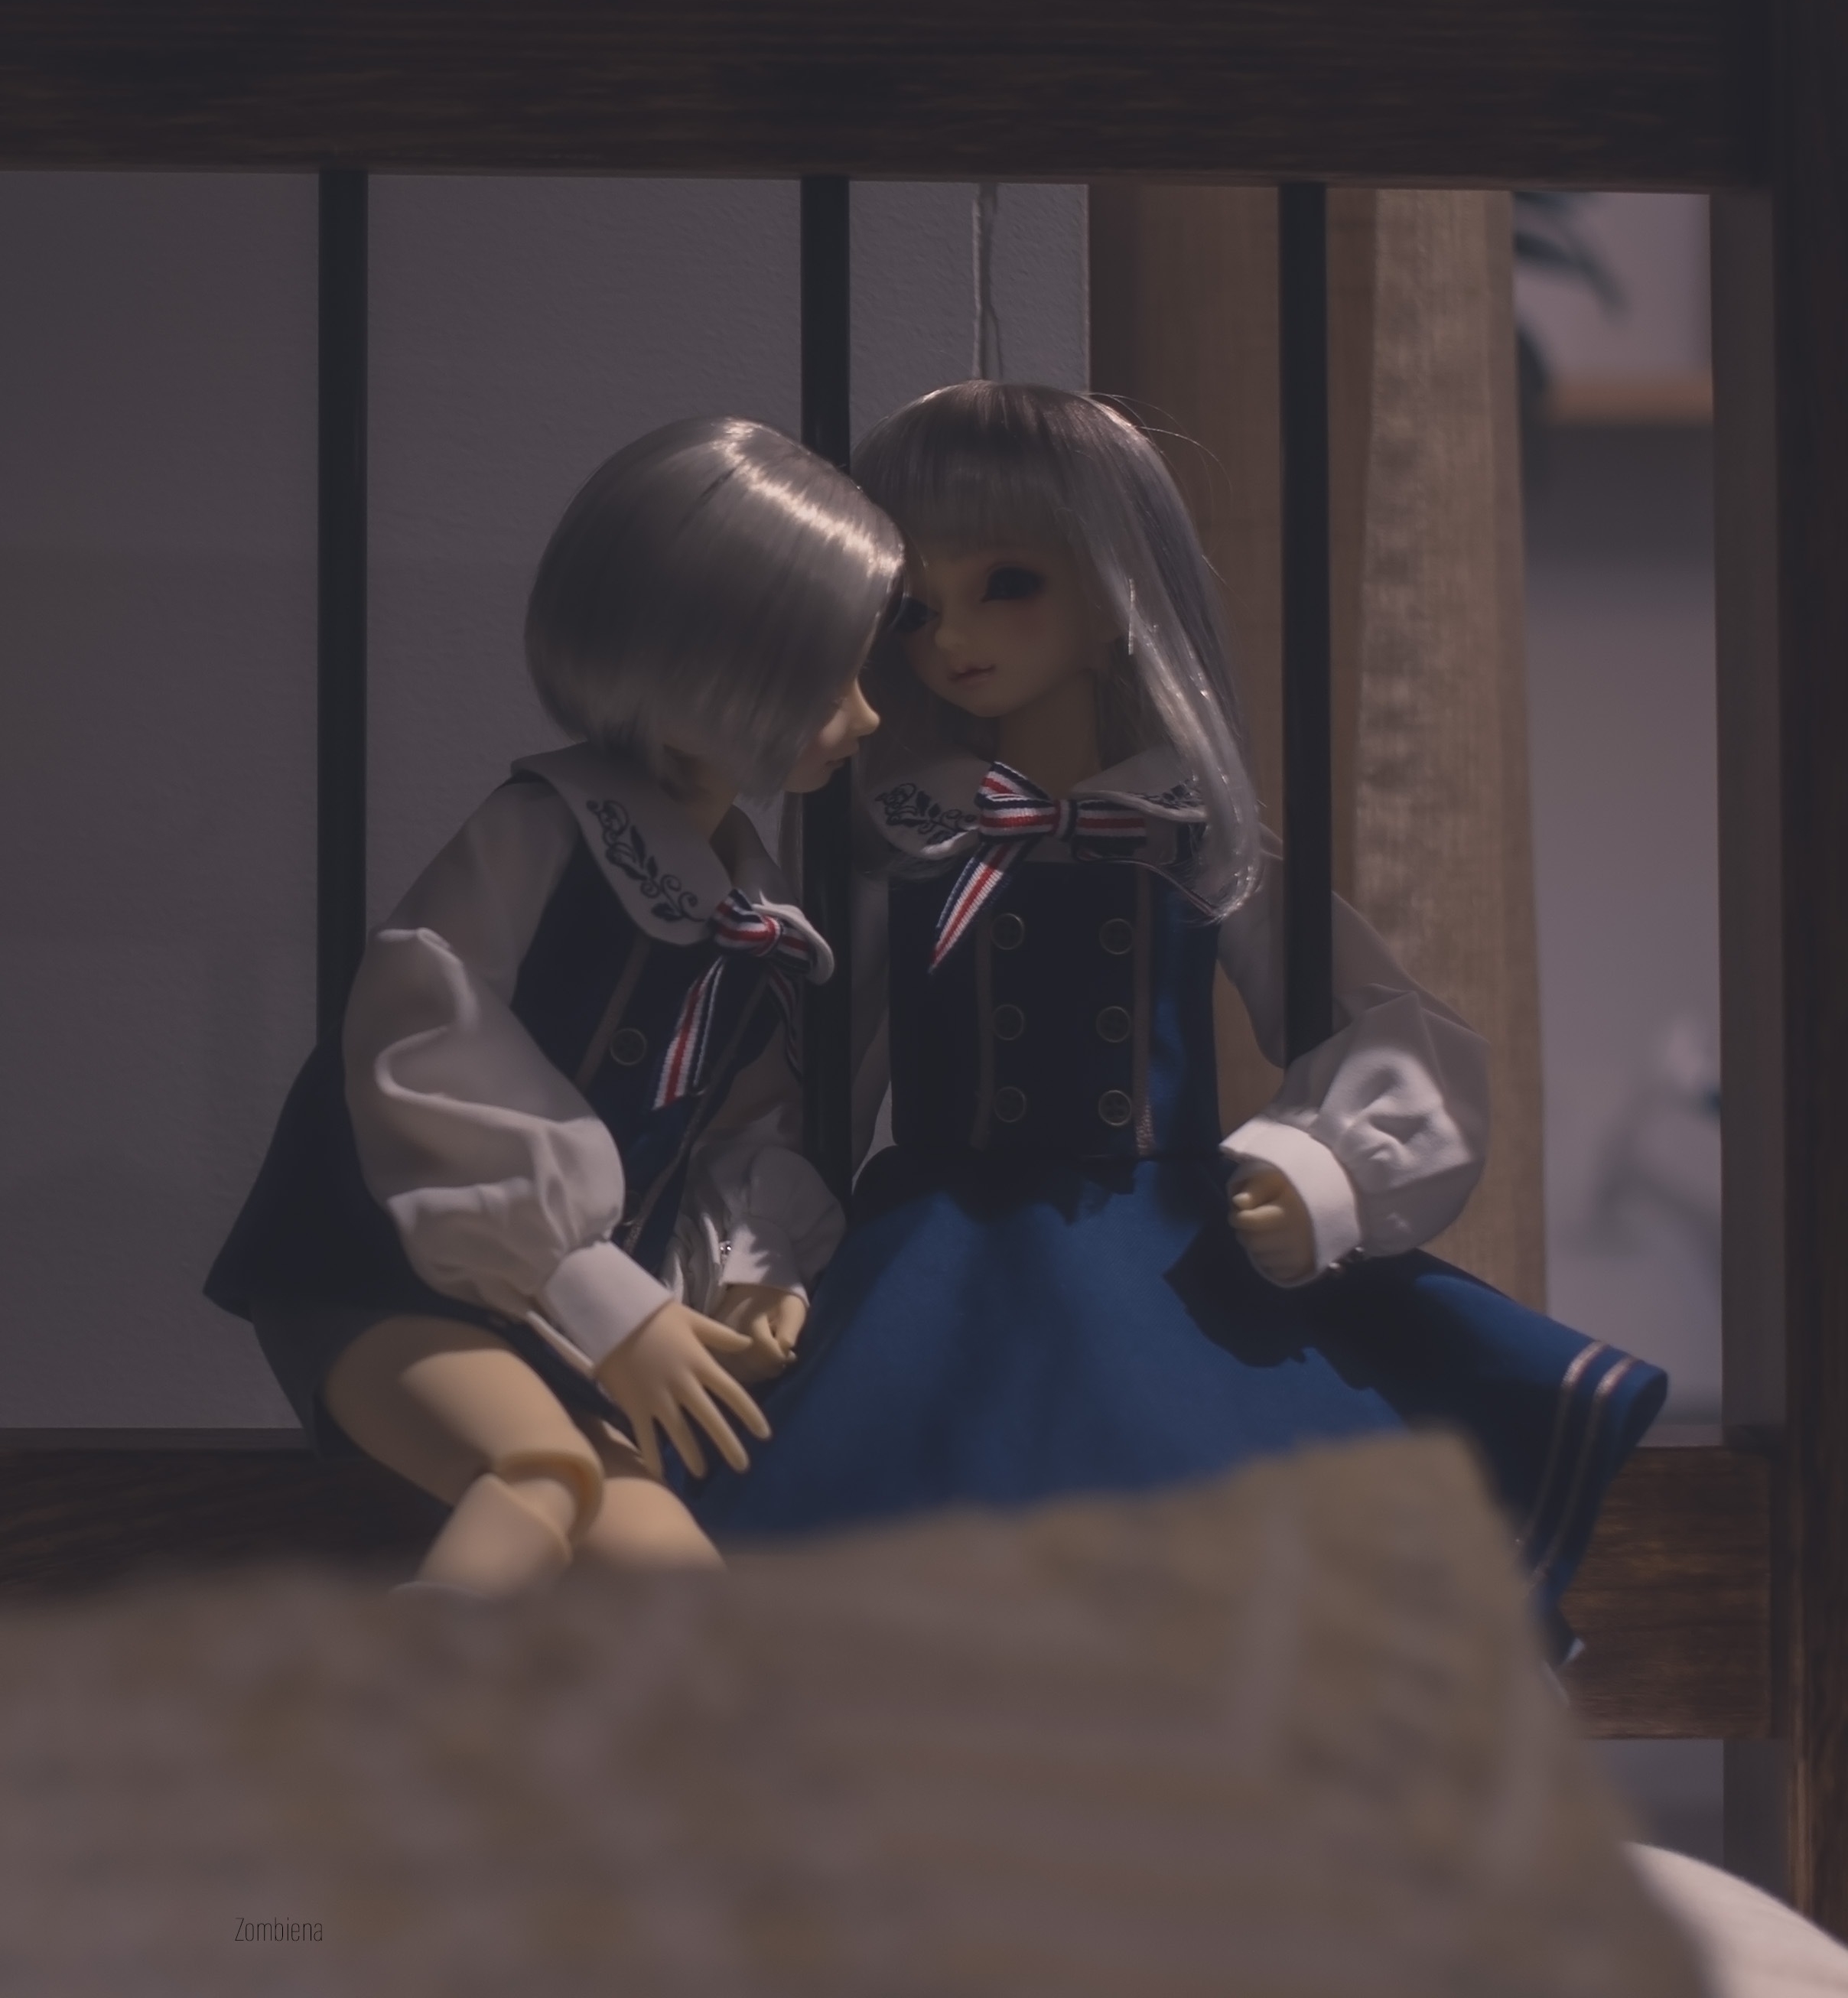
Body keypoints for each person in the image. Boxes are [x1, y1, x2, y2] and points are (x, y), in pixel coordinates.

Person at [689, 382, 1660, 1639]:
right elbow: (812, 1075)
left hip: (1164, 1256)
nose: (952, 638)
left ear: (1115, 593)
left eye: (1007, 584)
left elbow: (1384, 1021)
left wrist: (1325, 1169)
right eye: (915, 609)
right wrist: (764, 1249)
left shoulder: (1197, 843)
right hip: (937, 1258)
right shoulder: (906, 846)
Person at [207, 416, 900, 1596]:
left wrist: (754, 1263)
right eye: (829, 675)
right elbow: (428, 1050)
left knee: (682, 1580)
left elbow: (733, 1131)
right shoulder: (543, 834)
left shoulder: (751, 908)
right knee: (540, 1475)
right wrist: (606, 1299)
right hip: (382, 1276)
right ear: (707, 659)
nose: (867, 715)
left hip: (557, 1323)